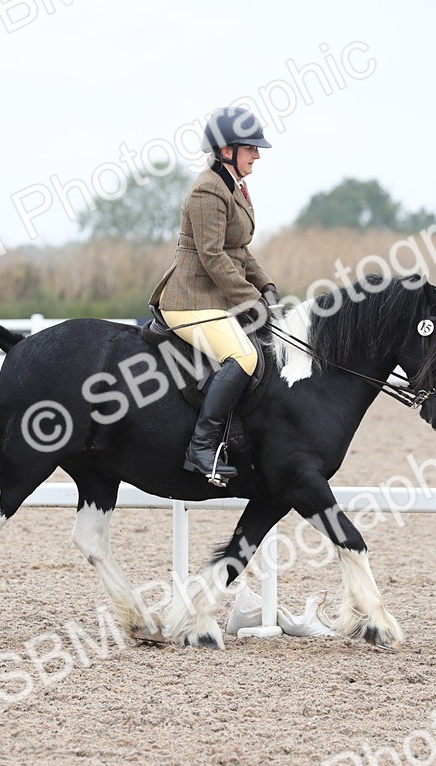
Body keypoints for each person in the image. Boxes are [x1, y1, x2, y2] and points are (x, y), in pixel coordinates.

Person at [148, 107, 280, 486]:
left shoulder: (233, 185)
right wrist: (250, 298)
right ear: (226, 150)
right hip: (189, 301)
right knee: (243, 354)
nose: (257, 155)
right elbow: (212, 254)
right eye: (251, 148)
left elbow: (238, 249)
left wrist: (266, 287)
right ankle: (201, 447)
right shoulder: (208, 188)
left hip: (213, 299)